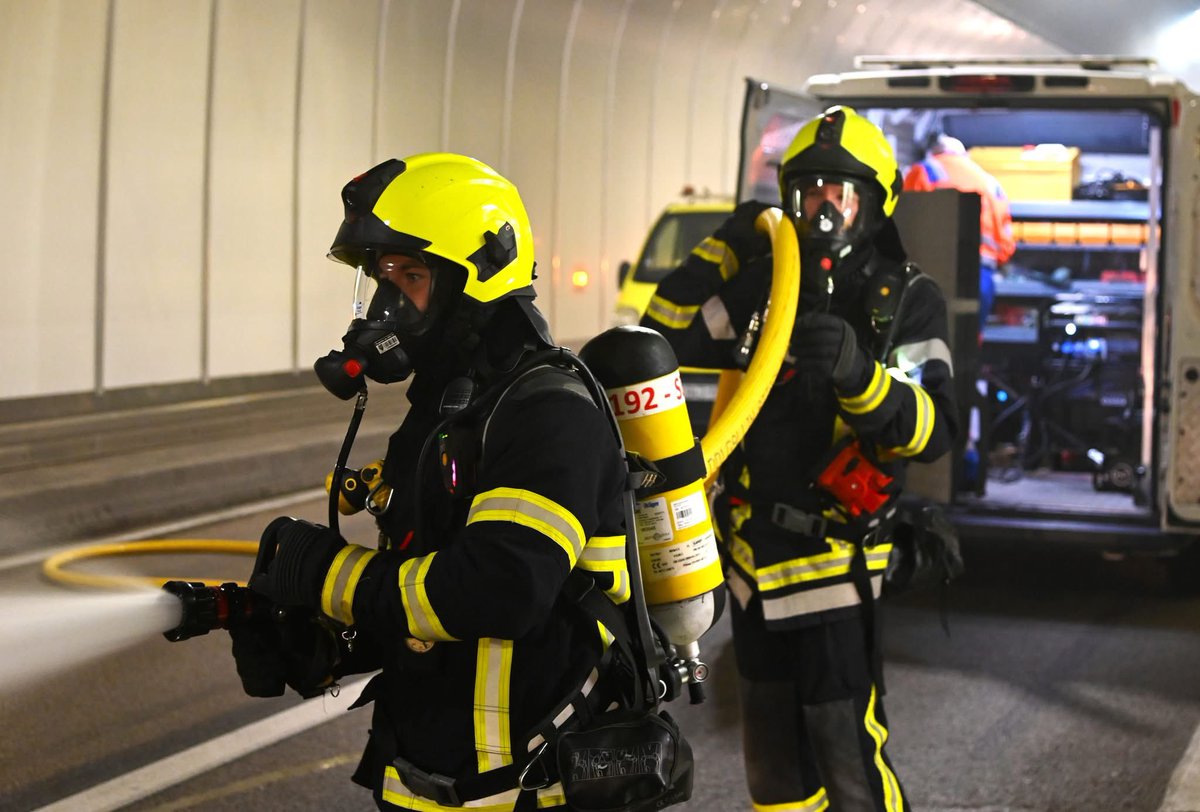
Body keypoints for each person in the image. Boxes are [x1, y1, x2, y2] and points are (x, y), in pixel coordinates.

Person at [229, 153, 634, 811]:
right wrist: (317, 639)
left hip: (525, 795)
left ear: (474, 281)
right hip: (422, 785)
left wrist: (330, 576)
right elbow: (420, 600)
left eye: (411, 276)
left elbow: (497, 590)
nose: (388, 305)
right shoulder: (441, 415)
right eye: (381, 279)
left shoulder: (548, 413)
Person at [642, 106, 957, 811]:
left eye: (841, 195)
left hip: (833, 570)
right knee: (774, 770)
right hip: (753, 565)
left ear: (873, 206)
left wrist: (859, 376)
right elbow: (659, 342)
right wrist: (719, 254)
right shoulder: (761, 288)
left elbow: (934, 430)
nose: (823, 209)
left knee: (848, 757)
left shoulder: (903, 299)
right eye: (809, 191)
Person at [902, 133, 1016, 334]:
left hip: (936, 271)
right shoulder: (990, 182)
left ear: (934, 152)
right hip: (981, 274)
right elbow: (1005, 243)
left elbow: (906, 223)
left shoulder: (924, 171)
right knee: (969, 340)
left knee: (927, 337)